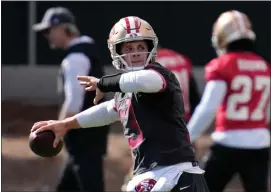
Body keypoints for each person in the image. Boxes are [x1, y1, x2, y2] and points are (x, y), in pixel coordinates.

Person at [31, 16, 209, 192]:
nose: (137, 52)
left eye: (141, 46)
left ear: (150, 48)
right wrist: (66, 124)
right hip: (151, 174)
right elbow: (107, 110)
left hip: (176, 173)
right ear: (117, 52)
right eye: (129, 48)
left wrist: (102, 83)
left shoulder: (159, 75)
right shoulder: (126, 91)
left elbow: (143, 81)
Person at [187, 10, 270, 192]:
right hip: (260, 145)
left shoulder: (224, 65)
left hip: (228, 143)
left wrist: (186, 137)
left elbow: (207, 109)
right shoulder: (264, 65)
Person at [33, 7, 109, 192]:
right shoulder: (88, 48)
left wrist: (57, 130)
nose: (47, 35)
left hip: (84, 133)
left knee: (90, 184)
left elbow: (74, 101)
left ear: (63, 28)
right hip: (92, 128)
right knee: (70, 184)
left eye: (49, 30)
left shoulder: (75, 58)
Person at [121, 46, 201, 191]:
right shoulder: (182, 59)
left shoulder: (149, 64)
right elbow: (195, 97)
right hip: (183, 123)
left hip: (159, 125)